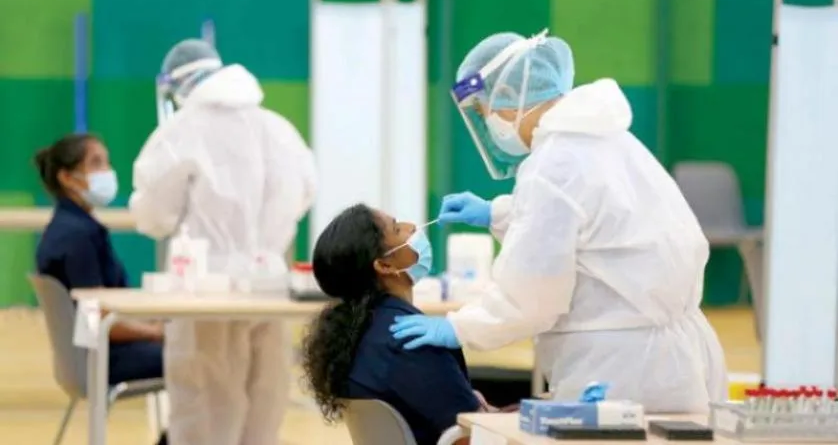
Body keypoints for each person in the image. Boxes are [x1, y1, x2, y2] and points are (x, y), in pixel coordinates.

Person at [389, 30, 728, 413]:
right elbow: (591, 227)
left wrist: (458, 327)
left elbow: (532, 294)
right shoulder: (606, 139)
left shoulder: (553, 164)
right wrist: (496, 213)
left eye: (485, 112)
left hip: (619, 367)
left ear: (509, 96)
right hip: (671, 359)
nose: (490, 125)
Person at [129, 39, 317, 445]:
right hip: (270, 285)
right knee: (264, 400)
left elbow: (153, 215)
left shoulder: (180, 132)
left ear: (177, 84)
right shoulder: (277, 128)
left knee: (205, 403)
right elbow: (305, 192)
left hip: (204, 289)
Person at [302, 204, 507, 445]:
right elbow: (467, 435)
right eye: (398, 229)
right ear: (384, 265)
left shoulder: (356, 336)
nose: (413, 227)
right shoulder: (412, 340)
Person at [34, 134, 167, 444]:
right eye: (96, 163)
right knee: (200, 360)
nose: (107, 171)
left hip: (89, 355)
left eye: (107, 163)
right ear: (67, 177)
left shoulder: (70, 227)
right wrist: (155, 332)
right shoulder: (77, 237)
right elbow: (95, 318)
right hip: (102, 357)